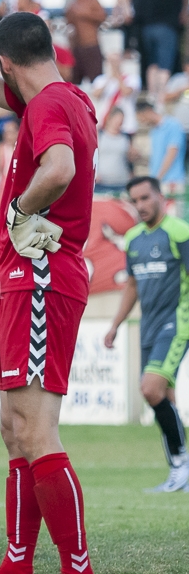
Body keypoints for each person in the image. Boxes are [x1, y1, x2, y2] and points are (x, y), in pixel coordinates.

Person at [0, 13, 98, 574]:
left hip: (40, 272)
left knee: (34, 429)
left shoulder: (51, 106)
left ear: (5, 61)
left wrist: (20, 209)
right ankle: (17, 561)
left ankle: (76, 566)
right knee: (14, 429)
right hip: (30, 276)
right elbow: (20, 99)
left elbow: (58, 166)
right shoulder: (66, 98)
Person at [105, 176, 189, 492]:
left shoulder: (179, 231)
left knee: (150, 389)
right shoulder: (133, 239)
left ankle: (181, 464)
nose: (140, 206)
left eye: (145, 198)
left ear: (160, 196)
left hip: (177, 323)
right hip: (148, 327)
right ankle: (179, 472)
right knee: (164, 396)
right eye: (135, 200)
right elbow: (132, 285)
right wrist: (115, 325)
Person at [133, 0, 183, 109]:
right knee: (164, 66)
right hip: (166, 27)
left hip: (148, 28)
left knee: (152, 64)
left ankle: (152, 98)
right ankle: (160, 100)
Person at [136, 101, 186, 196]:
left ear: (148, 111)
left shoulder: (173, 125)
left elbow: (172, 154)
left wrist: (158, 178)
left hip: (172, 181)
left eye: (142, 118)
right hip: (158, 182)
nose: (143, 122)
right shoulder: (154, 131)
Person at [92, 52, 140, 135]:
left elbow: (126, 92)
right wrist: (109, 78)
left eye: (116, 61)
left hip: (126, 125)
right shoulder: (101, 79)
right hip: (105, 124)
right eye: (111, 61)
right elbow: (96, 94)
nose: (114, 63)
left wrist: (118, 75)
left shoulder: (132, 78)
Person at [64, 0, 106, 85]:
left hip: (91, 45)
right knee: (74, 80)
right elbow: (68, 22)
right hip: (76, 47)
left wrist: (85, 14)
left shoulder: (92, 1)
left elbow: (102, 16)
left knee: (96, 80)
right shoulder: (73, 4)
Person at [94, 108, 131, 195]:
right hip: (102, 181)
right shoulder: (100, 135)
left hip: (121, 180)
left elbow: (129, 158)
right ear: (110, 119)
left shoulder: (126, 137)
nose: (119, 123)